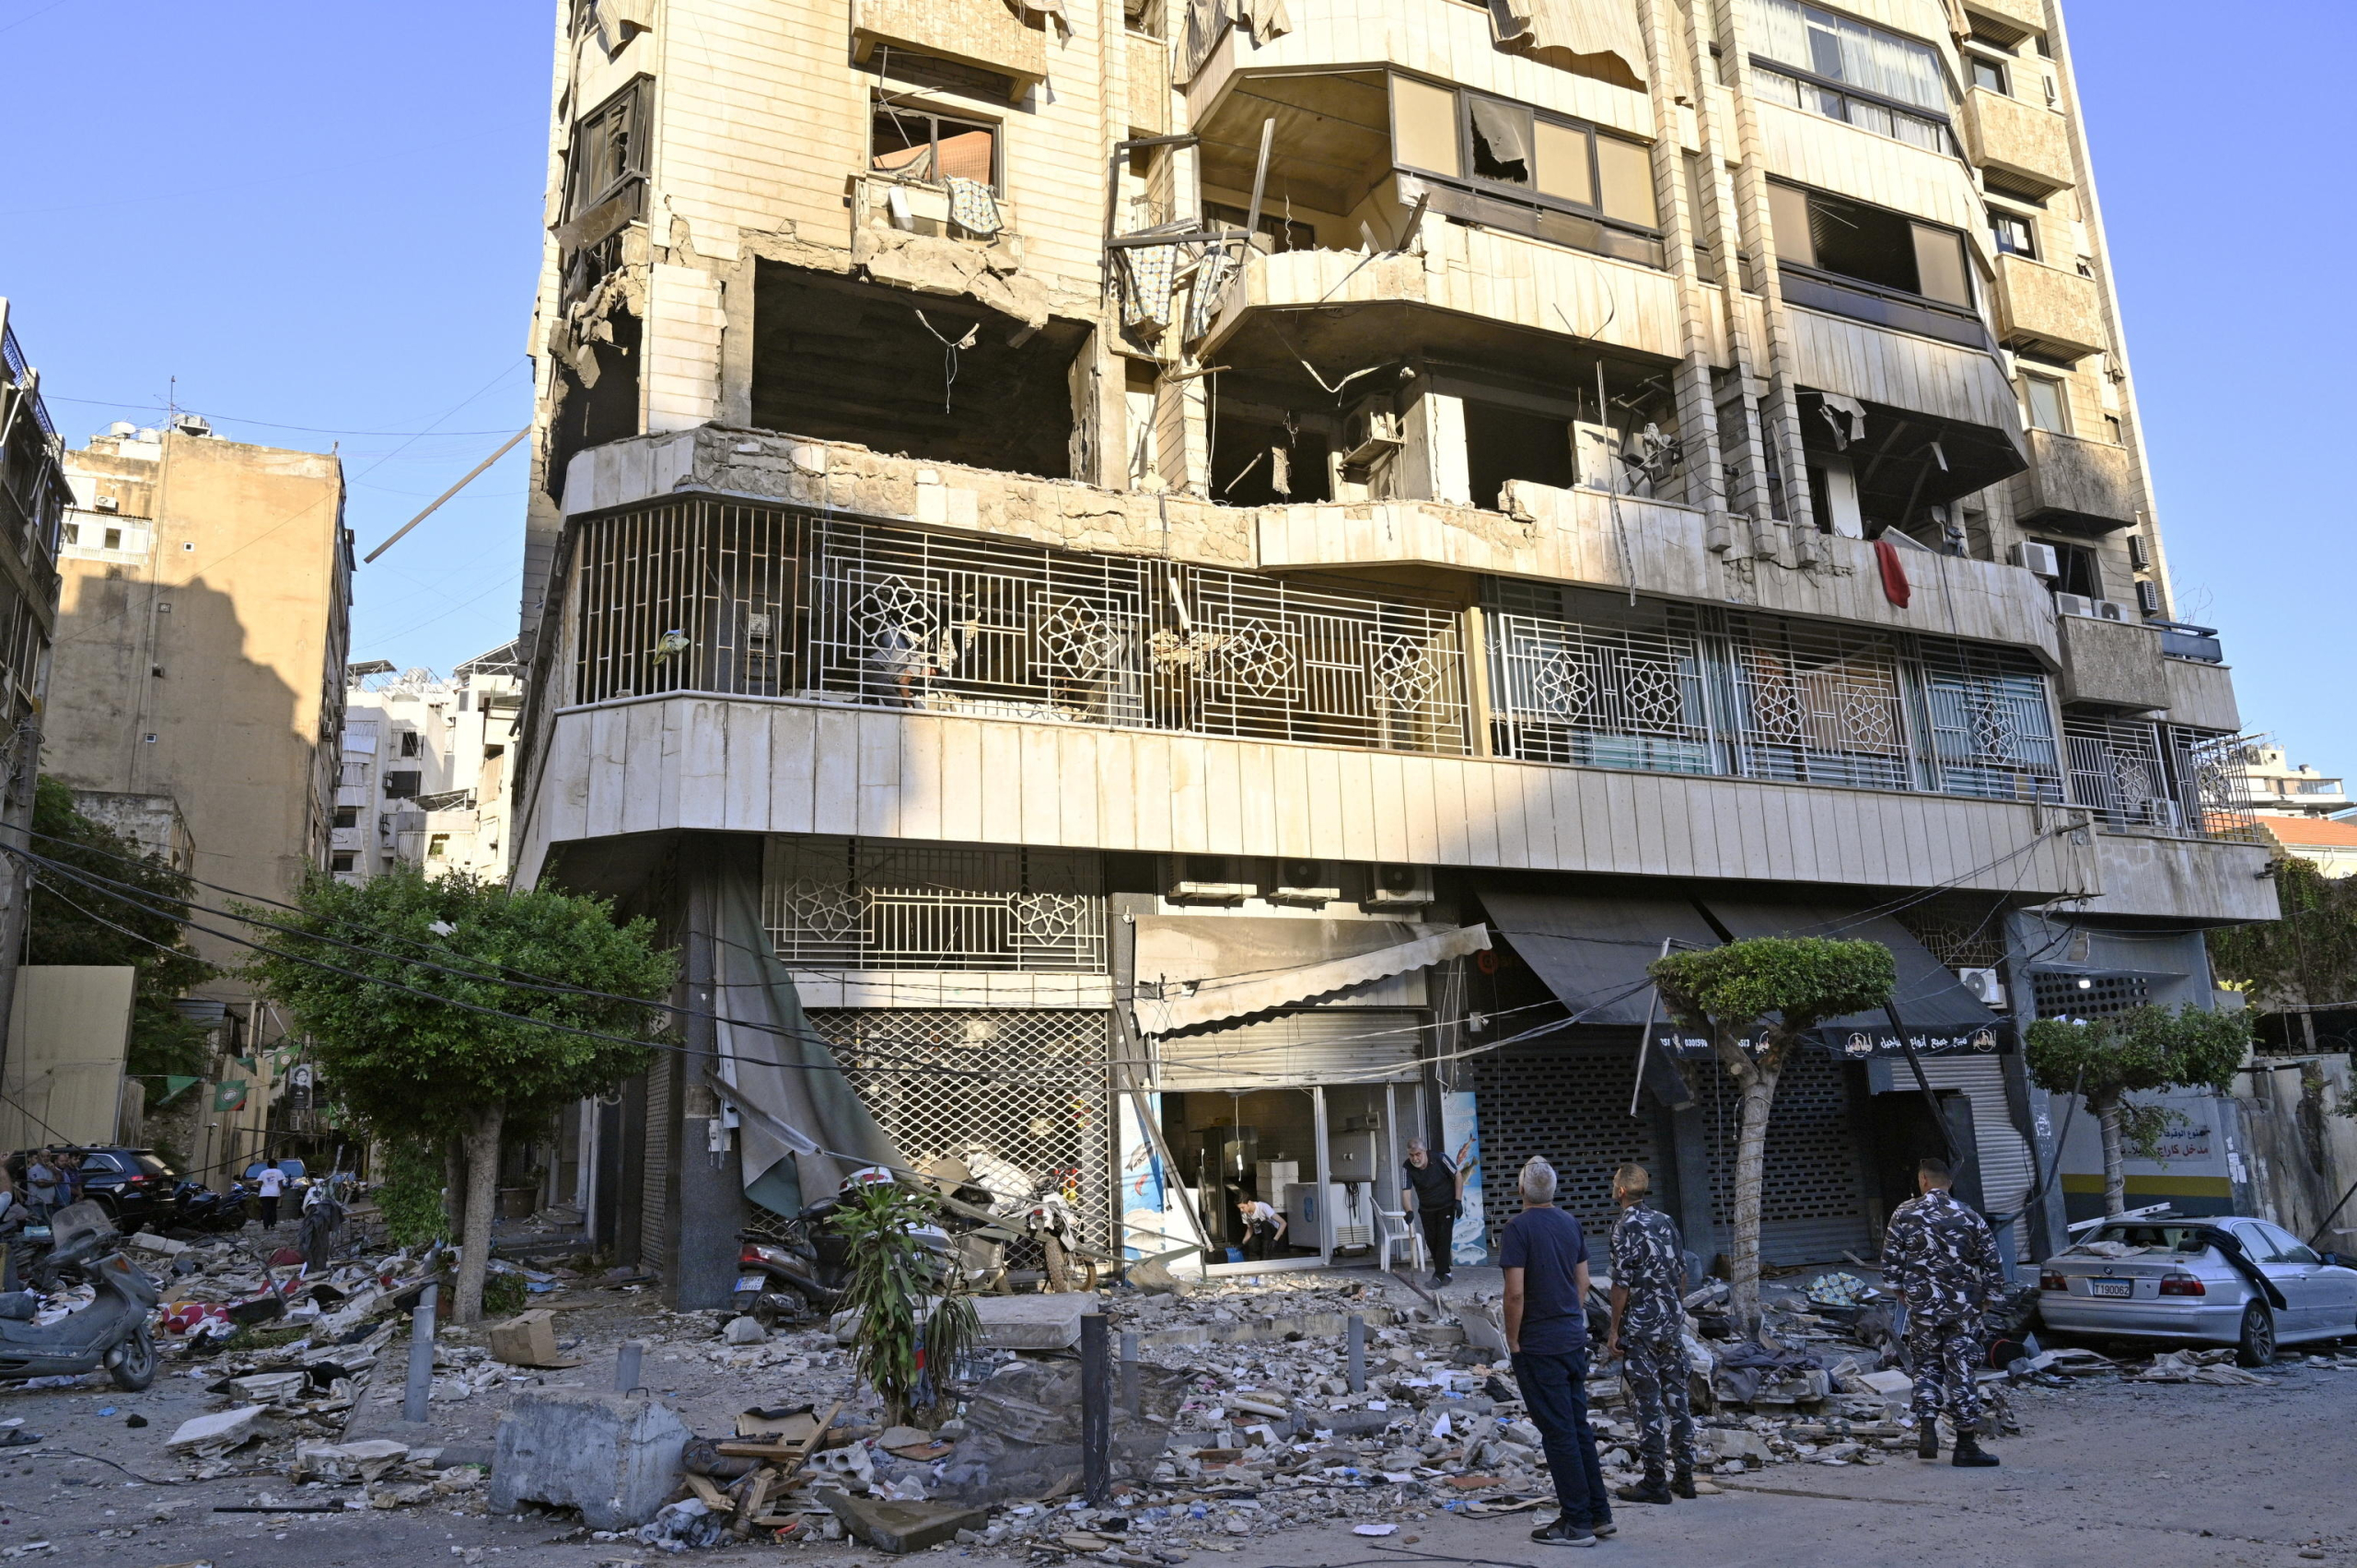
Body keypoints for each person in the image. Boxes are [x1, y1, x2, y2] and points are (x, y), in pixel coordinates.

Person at [1503, 1156, 1611, 1548]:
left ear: (1521, 1190)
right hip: (1571, 1339)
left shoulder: (1517, 1229)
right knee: (1578, 1426)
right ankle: (1598, 1514)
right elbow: (1583, 1282)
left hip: (1540, 1344)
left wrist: (1513, 1340)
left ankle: (1576, 1523)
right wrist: (1568, 1316)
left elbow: (1515, 1293)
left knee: (1558, 1432)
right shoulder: (1570, 1223)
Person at [1881, 1157, 2005, 1468]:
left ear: (1923, 1180)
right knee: (1960, 1368)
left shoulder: (1905, 1212)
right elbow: (1992, 1259)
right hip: (1962, 1306)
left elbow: (1891, 1257)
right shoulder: (1969, 1215)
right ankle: (1965, 1445)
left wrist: (1900, 1289)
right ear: (1949, 1183)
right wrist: (1991, 1295)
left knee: (1925, 1365)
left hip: (1922, 1305)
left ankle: (1927, 1431)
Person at [1604, 1164, 1696, 1504]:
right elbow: (1682, 1272)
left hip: (1640, 1327)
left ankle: (1655, 1481)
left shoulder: (1623, 1227)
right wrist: (1675, 1308)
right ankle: (1685, 1477)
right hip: (1670, 1323)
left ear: (1622, 1191)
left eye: (1615, 1183)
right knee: (1678, 1399)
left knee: (1647, 1402)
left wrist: (1614, 1330)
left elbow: (1621, 1284)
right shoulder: (1666, 1221)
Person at [1401, 1138, 1467, 1286]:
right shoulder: (1407, 1167)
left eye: (1418, 1154)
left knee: (1443, 1239)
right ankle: (1446, 1273)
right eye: (1412, 1155)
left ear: (1424, 1151)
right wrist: (1409, 1211)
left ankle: (1438, 1276)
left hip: (1446, 1205)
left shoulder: (1439, 1158)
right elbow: (1406, 1191)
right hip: (1426, 1208)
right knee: (1432, 1241)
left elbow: (1458, 1175)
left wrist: (1458, 1201)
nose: (1415, 1158)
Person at [1234, 1194, 1284, 1260]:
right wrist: (1243, 1243)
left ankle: (1265, 1256)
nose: (1241, 1210)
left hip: (1275, 1236)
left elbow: (1283, 1223)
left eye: (1242, 1207)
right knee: (1251, 1244)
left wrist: (1275, 1240)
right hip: (1261, 1235)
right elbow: (1250, 1229)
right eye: (1239, 1208)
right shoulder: (1244, 1213)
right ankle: (1265, 1254)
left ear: (1249, 1203)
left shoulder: (1263, 1207)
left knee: (1264, 1224)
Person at [22, 1153, 56, 1222]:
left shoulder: (50, 1169)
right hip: (37, 1204)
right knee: (36, 1226)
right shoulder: (34, 1169)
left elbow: (60, 1179)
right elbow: (40, 1183)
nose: (46, 1158)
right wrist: (53, 1182)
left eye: (48, 1156)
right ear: (39, 1158)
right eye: (43, 1156)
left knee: (50, 1226)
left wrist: (54, 1169)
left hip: (49, 1203)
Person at [255, 1161, 287, 1230]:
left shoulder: (263, 1172)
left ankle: (265, 1225)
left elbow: (260, 1182)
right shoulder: (279, 1172)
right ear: (275, 1165)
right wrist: (281, 1192)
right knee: (273, 1209)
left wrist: (261, 1189)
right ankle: (272, 1225)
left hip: (264, 1194)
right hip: (274, 1193)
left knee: (266, 1210)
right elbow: (280, 1183)